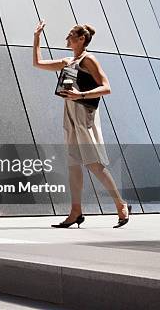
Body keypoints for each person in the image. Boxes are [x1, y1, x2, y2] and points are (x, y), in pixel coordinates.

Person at [32, 21, 130, 228]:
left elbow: (106, 87)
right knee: (73, 164)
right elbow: (38, 63)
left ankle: (120, 204)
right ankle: (75, 211)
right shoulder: (69, 60)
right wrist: (37, 37)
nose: (66, 38)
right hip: (70, 114)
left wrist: (81, 94)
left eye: (70, 35)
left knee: (94, 163)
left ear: (81, 39)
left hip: (84, 114)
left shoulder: (88, 59)